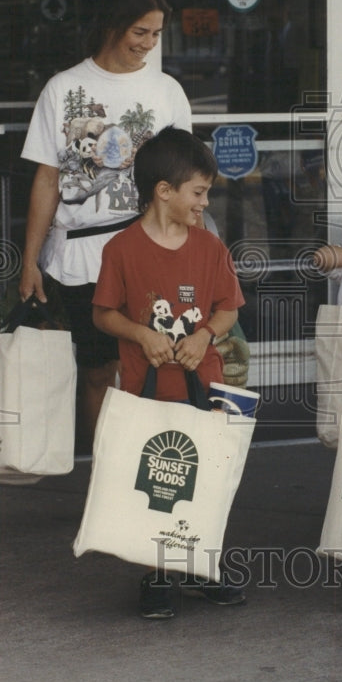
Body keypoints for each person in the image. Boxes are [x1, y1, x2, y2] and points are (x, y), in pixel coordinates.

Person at [18, 0, 192, 450]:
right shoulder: (64, 88)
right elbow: (48, 179)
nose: (149, 45)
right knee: (97, 370)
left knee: (156, 366)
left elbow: (185, 181)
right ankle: (101, 475)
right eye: (141, 32)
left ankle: (144, 469)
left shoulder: (166, 91)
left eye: (156, 35)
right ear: (113, 26)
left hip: (152, 250)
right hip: (81, 256)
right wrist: (30, 260)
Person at [92, 127, 246, 619]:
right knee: (159, 480)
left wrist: (204, 336)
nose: (204, 203)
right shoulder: (121, 249)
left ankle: (202, 567)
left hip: (208, 386)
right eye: (198, 193)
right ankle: (157, 572)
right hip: (148, 388)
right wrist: (141, 334)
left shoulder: (209, 248)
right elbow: (103, 313)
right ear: (164, 191)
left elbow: (227, 308)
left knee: (209, 476)